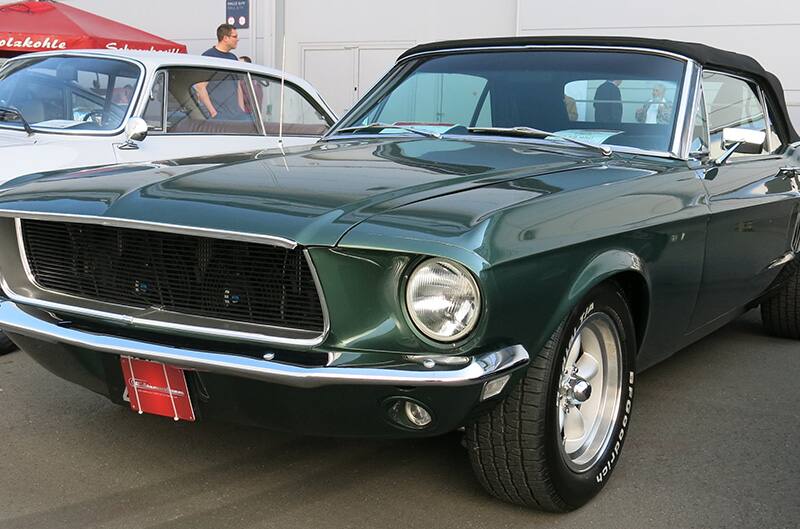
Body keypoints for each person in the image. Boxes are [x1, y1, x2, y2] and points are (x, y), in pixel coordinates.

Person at [196, 24, 240, 118]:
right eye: (234, 36)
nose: (237, 39)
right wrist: (213, 112)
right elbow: (200, 87)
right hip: (219, 115)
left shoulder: (233, 58)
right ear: (225, 38)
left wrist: (241, 109)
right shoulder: (208, 57)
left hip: (235, 113)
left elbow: (238, 86)